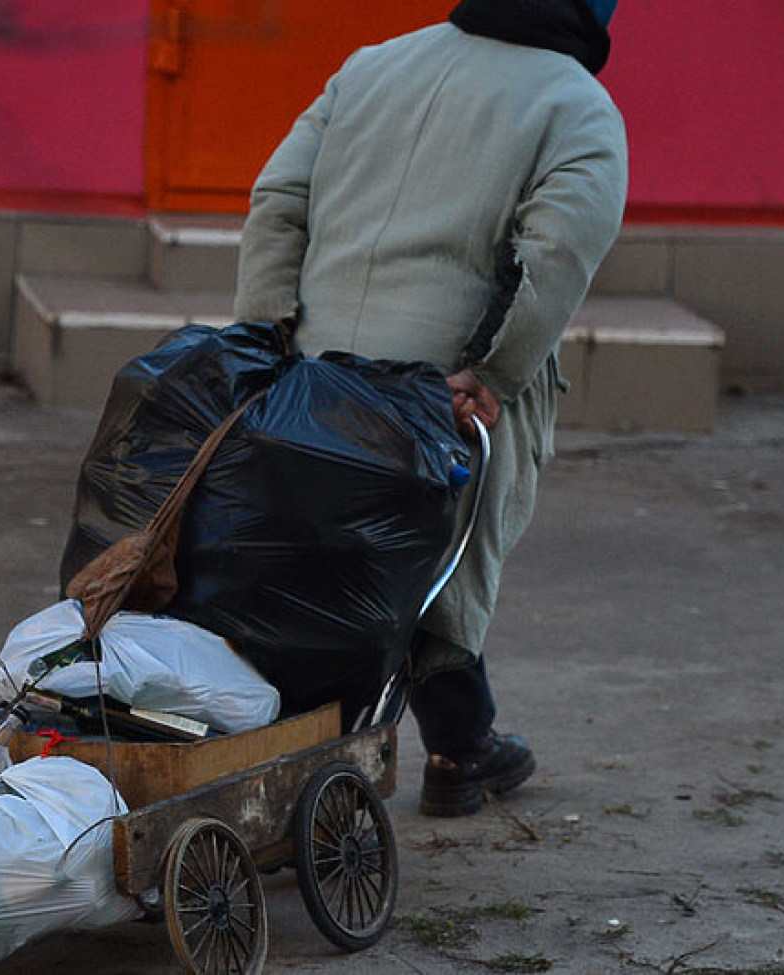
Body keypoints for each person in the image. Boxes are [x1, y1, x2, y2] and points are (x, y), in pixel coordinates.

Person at [233, 0, 629, 816]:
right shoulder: (578, 106)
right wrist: (493, 370)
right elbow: (550, 256)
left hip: (313, 375)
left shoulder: (374, 63)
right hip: (436, 393)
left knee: (329, 563)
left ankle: (457, 742)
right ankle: (441, 751)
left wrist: (263, 333)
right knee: (429, 573)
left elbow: (279, 199)